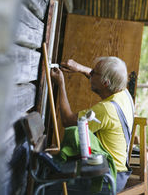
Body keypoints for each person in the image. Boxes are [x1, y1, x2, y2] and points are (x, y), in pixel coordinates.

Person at [51, 56, 134, 194]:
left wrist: (61, 84)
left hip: (107, 177)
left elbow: (67, 120)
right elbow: (103, 77)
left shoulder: (106, 109)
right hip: (116, 171)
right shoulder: (124, 93)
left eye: (93, 73)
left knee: (49, 188)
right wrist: (79, 68)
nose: (90, 74)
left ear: (106, 82)